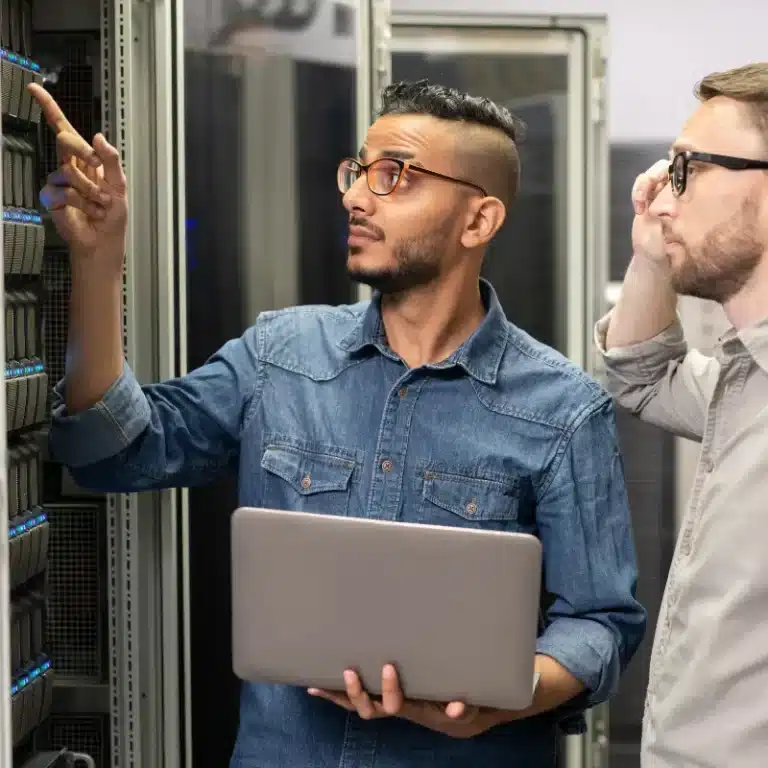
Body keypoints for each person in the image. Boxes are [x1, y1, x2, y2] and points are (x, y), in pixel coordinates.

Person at [30, 78, 645, 768]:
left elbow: (600, 622)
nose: (355, 197)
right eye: (359, 172)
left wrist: (513, 695)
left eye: (396, 177)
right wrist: (96, 260)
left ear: (478, 221)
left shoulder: (562, 408)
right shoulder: (279, 357)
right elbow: (111, 450)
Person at [595, 62, 768, 768]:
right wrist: (652, 255)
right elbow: (639, 374)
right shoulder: (743, 379)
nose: (663, 198)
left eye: (688, 169)